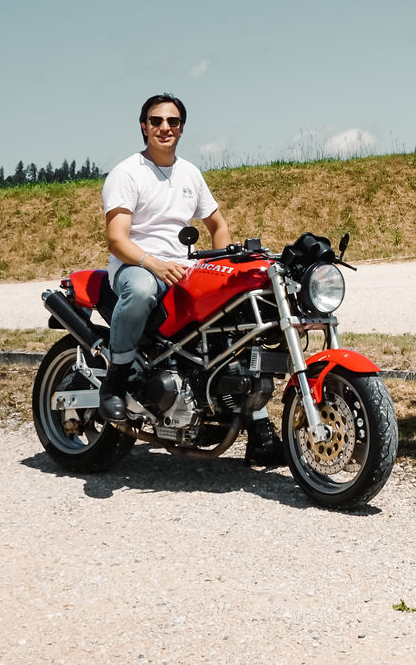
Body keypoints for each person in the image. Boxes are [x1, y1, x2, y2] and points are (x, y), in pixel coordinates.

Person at [99, 93, 281, 465]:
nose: (164, 128)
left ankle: (259, 431)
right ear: (143, 126)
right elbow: (117, 239)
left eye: (173, 121)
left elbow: (218, 225)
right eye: (156, 121)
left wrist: (224, 268)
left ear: (182, 128)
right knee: (142, 290)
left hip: (184, 268)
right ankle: (114, 382)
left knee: (233, 322)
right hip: (137, 266)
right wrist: (153, 263)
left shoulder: (189, 173)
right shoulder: (127, 172)